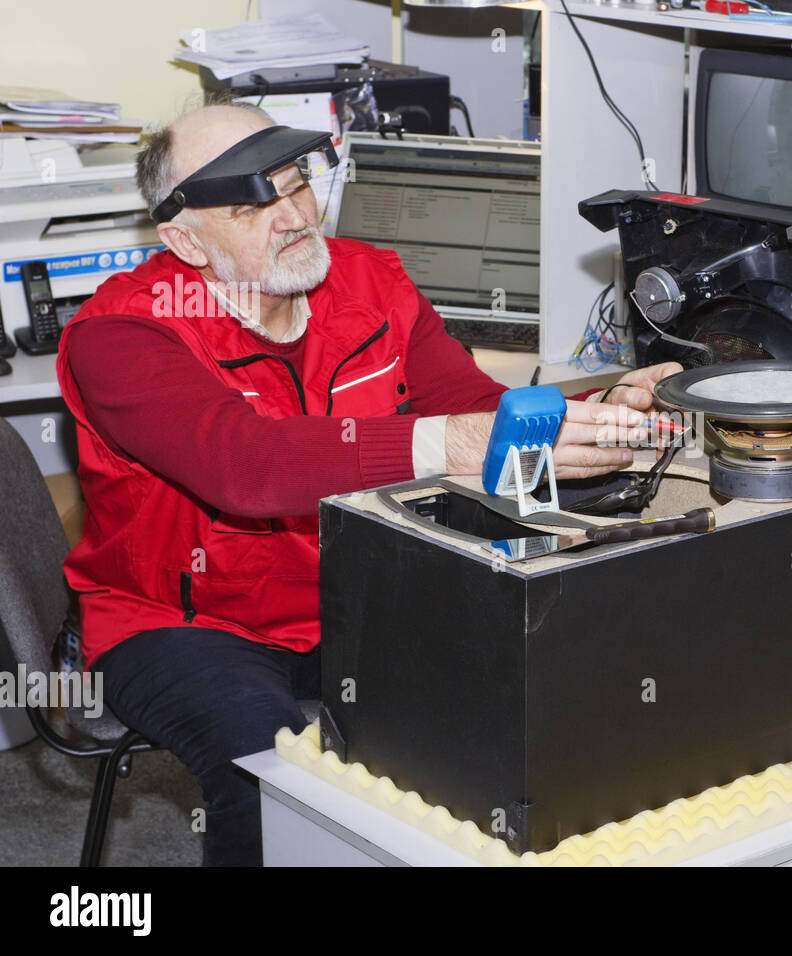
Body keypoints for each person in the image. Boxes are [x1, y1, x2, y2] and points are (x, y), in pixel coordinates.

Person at [55, 103, 680, 865]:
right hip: (181, 624)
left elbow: (480, 411)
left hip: (354, 597)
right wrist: (448, 443)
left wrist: (589, 421)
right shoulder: (123, 333)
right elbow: (246, 467)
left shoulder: (368, 281)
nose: (292, 215)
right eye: (254, 204)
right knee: (277, 773)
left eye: (296, 185)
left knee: (536, 701)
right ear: (185, 240)